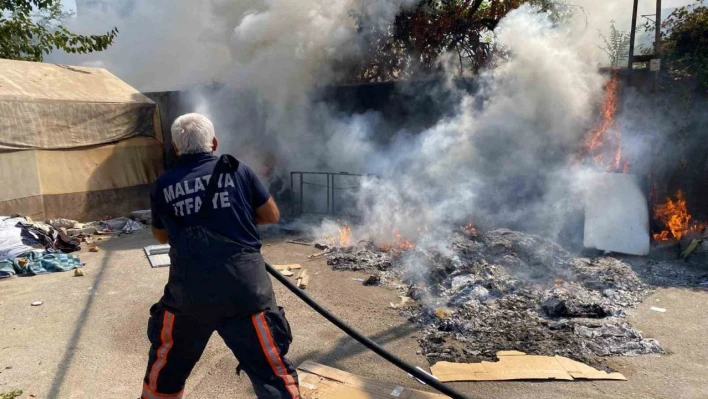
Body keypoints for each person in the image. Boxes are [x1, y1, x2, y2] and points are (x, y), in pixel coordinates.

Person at [141, 113, 300, 399]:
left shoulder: (163, 185)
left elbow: (162, 235)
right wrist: (235, 219)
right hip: (244, 290)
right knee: (271, 373)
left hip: (189, 294)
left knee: (166, 372)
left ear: (176, 149)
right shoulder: (238, 170)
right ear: (213, 142)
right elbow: (271, 215)